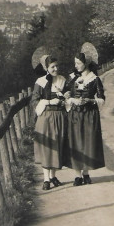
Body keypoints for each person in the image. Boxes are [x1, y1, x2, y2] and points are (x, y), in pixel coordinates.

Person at [65, 52, 106, 186]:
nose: (76, 66)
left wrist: (90, 100)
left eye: (78, 63)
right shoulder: (71, 78)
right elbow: (65, 95)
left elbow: (101, 98)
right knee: (76, 142)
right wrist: (72, 100)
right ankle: (77, 175)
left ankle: (86, 173)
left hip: (89, 114)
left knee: (88, 142)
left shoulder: (94, 79)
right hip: (75, 114)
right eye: (75, 63)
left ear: (86, 64)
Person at [31, 55, 70, 190]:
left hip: (59, 117)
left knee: (57, 146)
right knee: (46, 147)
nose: (56, 69)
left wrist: (64, 98)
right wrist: (48, 101)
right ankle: (46, 179)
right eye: (52, 67)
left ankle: (53, 176)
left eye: (57, 66)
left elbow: (68, 98)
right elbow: (34, 102)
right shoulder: (40, 82)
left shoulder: (62, 80)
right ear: (46, 68)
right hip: (45, 117)